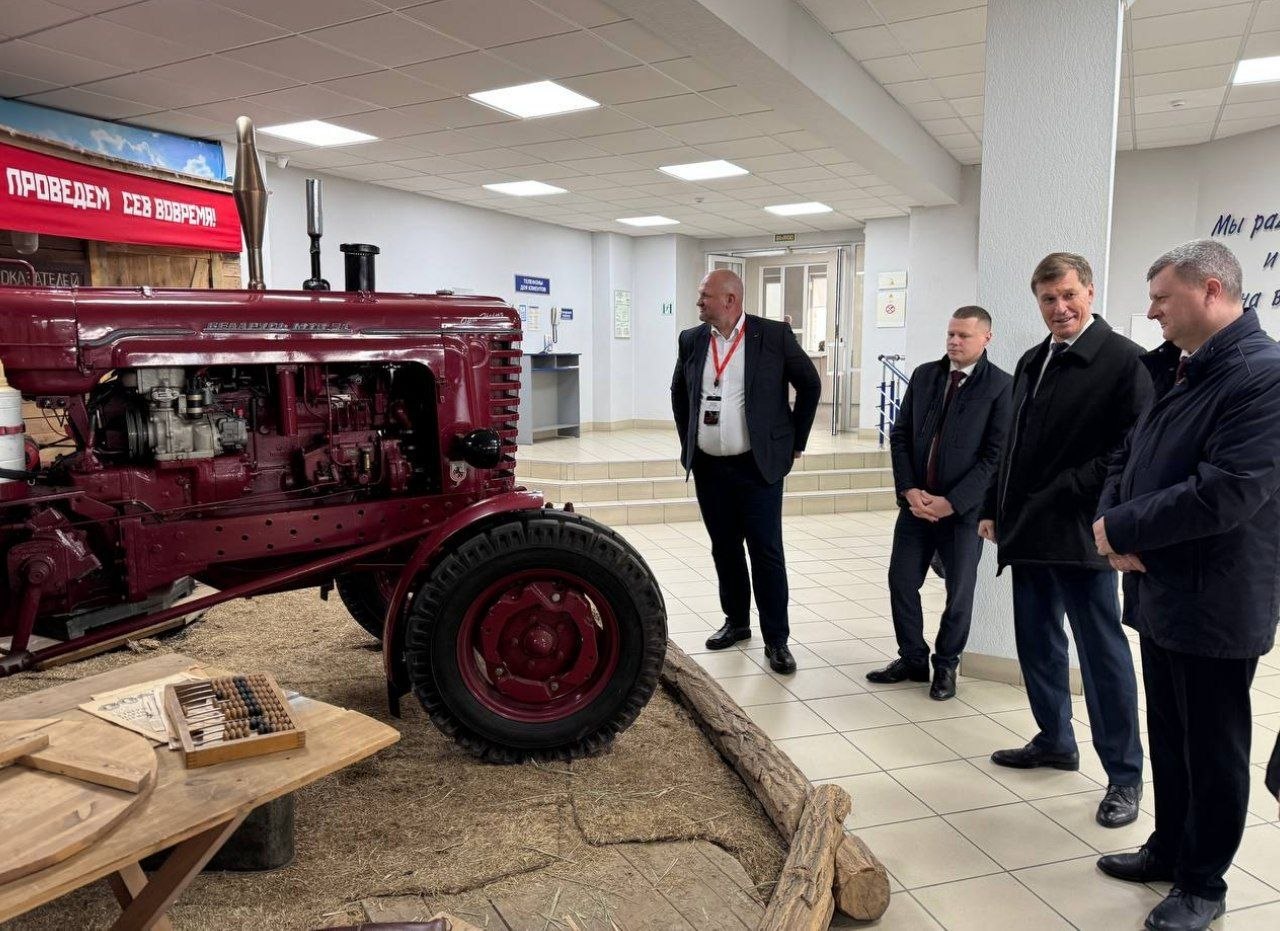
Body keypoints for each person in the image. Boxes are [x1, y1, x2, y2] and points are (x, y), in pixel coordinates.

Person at [1093, 240, 1280, 931]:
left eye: (1161, 298)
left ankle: (1203, 881)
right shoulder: (1181, 367)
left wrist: (1122, 528)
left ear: (1210, 290)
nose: (1150, 312)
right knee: (1169, 734)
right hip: (1163, 589)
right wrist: (1112, 521)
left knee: (1213, 748)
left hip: (1217, 598)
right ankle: (1168, 848)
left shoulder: (1263, 376)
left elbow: (1226, 492)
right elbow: (1128, 453)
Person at [981, 252, 1151, 829]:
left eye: (1069, 295)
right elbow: (1012, 444)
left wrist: (1064, 489)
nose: (1060, 308)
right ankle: (1055, 740)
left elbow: (1129, 452)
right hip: (1028, 531)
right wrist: (993, 506)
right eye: (1049, 299)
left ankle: (1124, 775)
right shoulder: (1033, 360)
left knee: (1101, 656)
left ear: (1091, 293)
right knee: (1037, 644)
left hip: (1084, 534)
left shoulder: (1126, 361)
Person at [671, 269, 820, 674]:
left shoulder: (773, 336)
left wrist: (796, 441)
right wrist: (690, 442)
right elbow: (680, 392)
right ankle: (736, 622)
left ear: (730, 299)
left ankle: (777, 640)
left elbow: (809, 385)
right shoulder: (692, 339)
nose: (699, 302)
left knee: (766, 552)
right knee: (724, 548)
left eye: (705, 295)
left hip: (757, 467)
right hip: (710, 467)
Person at [866, 306, 1012, 700]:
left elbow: (995, 457)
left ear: (986, 338)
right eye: (950, 334)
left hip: (962, 514)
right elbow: (901, 435)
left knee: (959, 591)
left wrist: (953, 502)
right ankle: (913, 658)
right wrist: (908, 489)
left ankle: (946, 665)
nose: (954, 342)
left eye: (964, 335)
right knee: (901, 581)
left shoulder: (1001, 386)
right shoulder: (925, 375)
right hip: (916, 507)